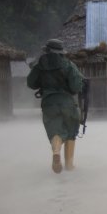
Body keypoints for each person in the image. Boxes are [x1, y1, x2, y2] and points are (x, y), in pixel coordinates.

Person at [26, 39, 85, 173]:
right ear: (61, 52)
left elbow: (31, 83)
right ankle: (69, 165)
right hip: (67, 103)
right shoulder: (69, 65)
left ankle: (56, 152)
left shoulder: (39, 65)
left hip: (49, 104)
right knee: (71, 132)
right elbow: (76, 86)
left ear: (46, 51)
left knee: (55, 132)